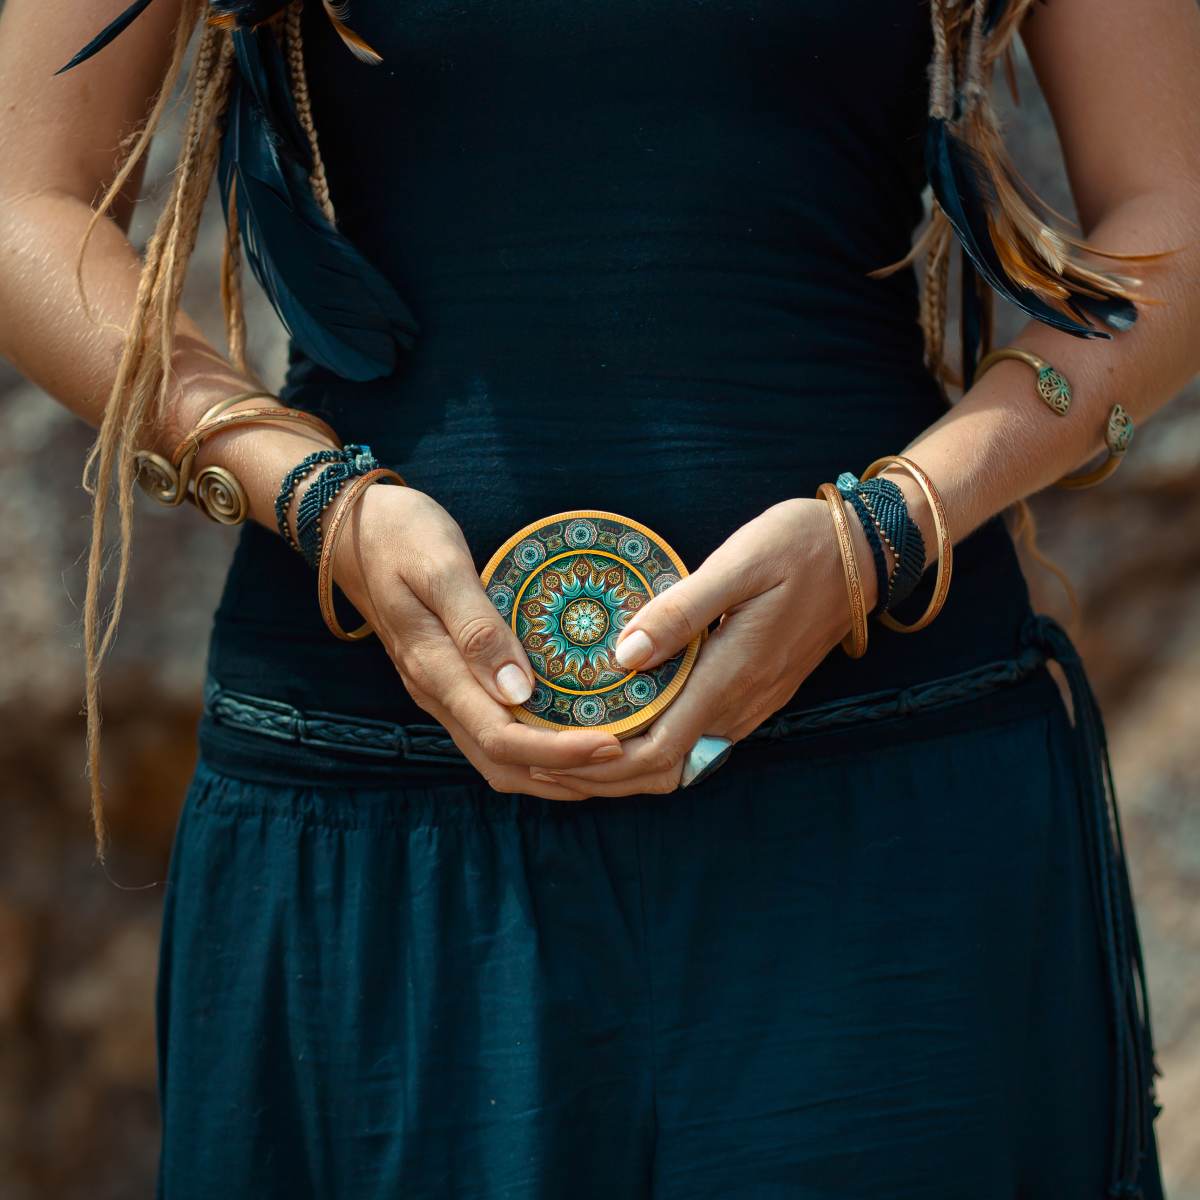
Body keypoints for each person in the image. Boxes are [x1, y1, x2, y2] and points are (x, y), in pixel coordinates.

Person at [1, 0, 1196, 1195]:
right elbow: (28, 205)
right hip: (376, 807)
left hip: (889, 819)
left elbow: (1174, 211)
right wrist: (322, 503)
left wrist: (889, 529)